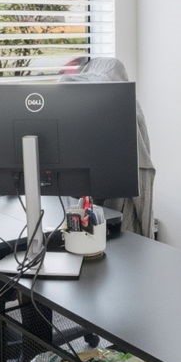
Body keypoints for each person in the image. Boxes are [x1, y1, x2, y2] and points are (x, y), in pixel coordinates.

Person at [57, 55, 155, 239]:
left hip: (114, 220)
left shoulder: (123, 108)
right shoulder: (70, 117)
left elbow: (143, 180)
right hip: (77, 212)